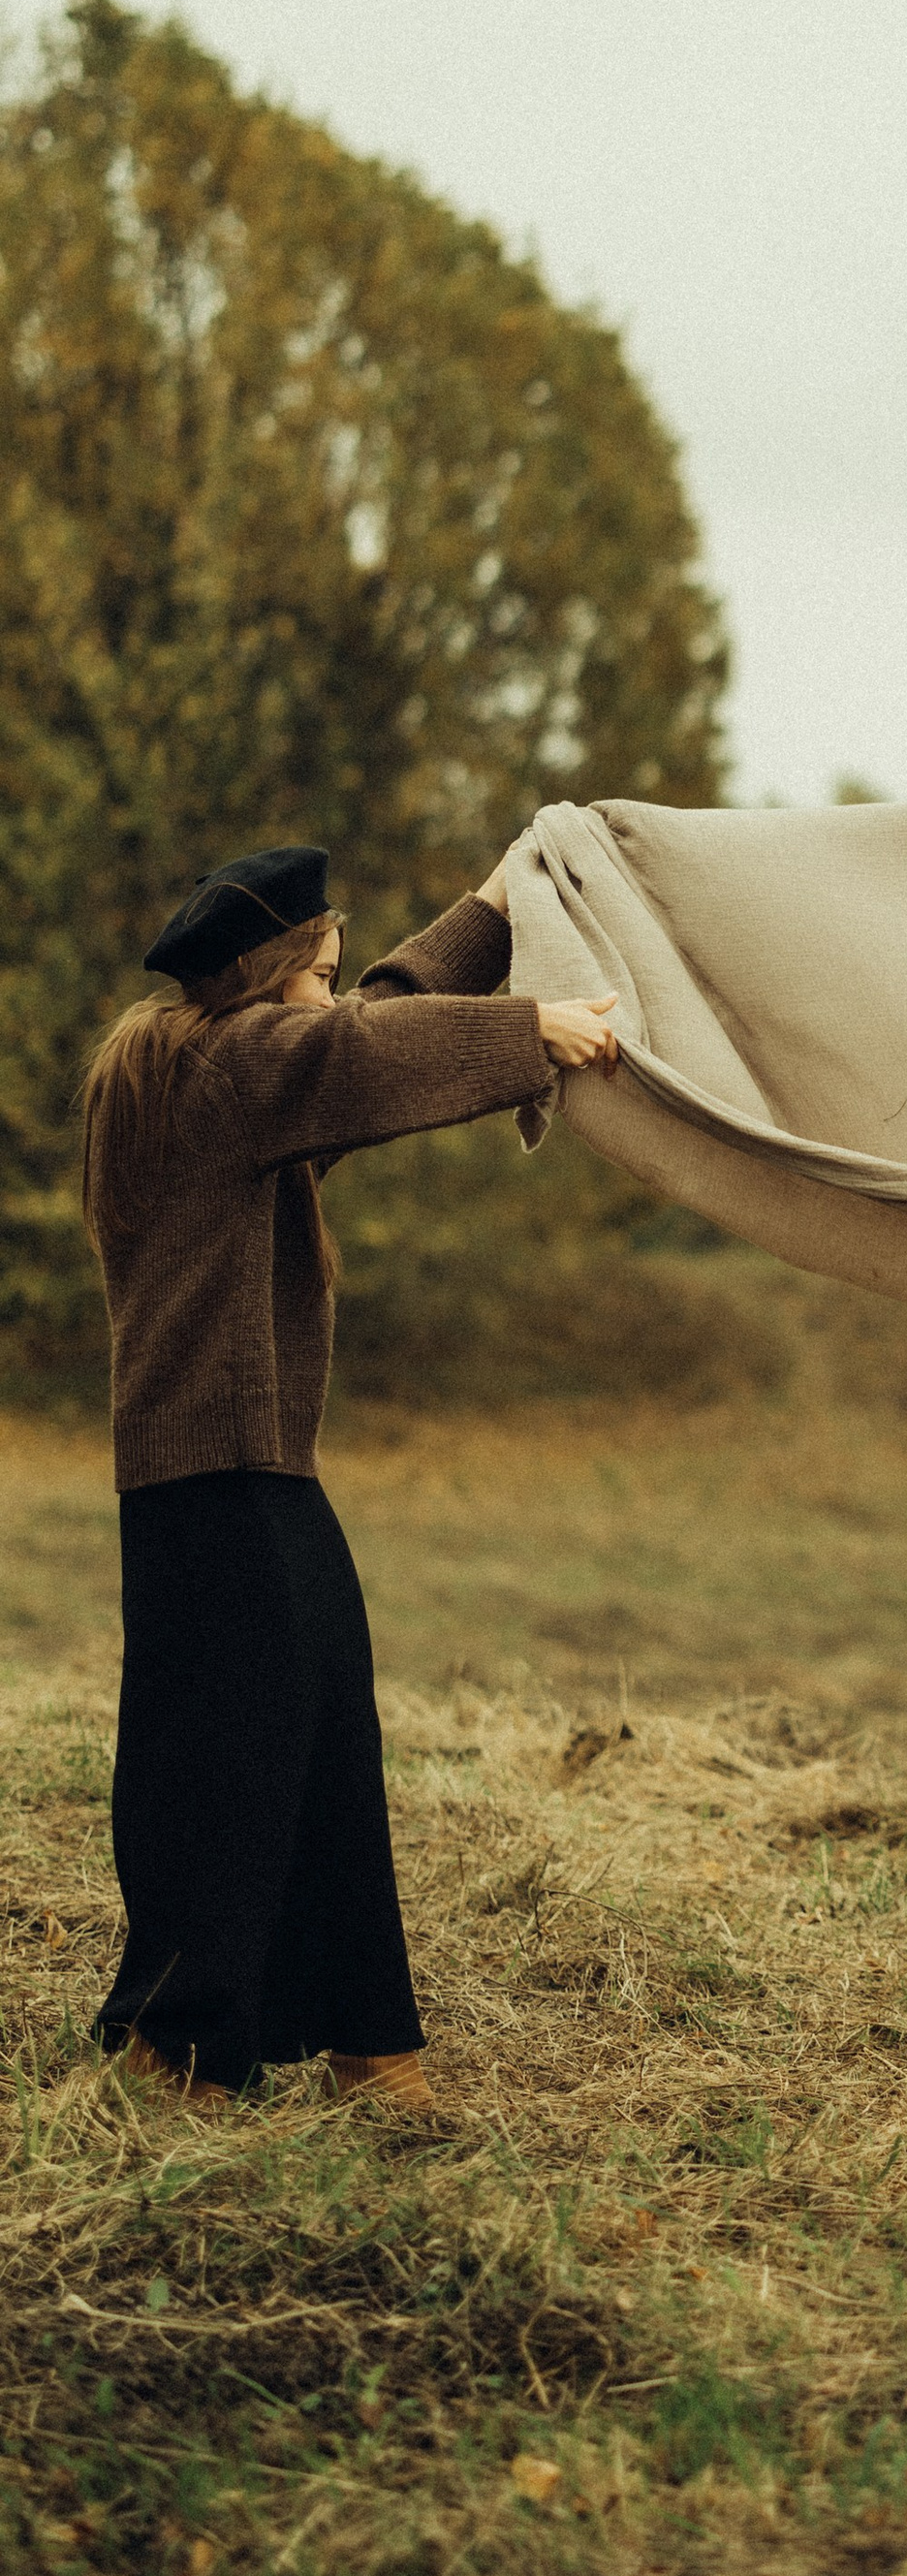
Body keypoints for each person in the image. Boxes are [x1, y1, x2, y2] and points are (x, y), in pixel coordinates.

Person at [79, 837, 620, 2111]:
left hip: (250, 1470)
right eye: (318, 964)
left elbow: (367, 1017)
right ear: (266, 973)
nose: (335, 984)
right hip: (209, 1476)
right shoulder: (216, 1067)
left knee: (322, 1739)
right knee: (223, 1764)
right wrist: (528, 1028)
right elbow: (354, 1048)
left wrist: (492, 908)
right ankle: (176, 2046)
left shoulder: (242, 1070)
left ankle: (369, 2044)